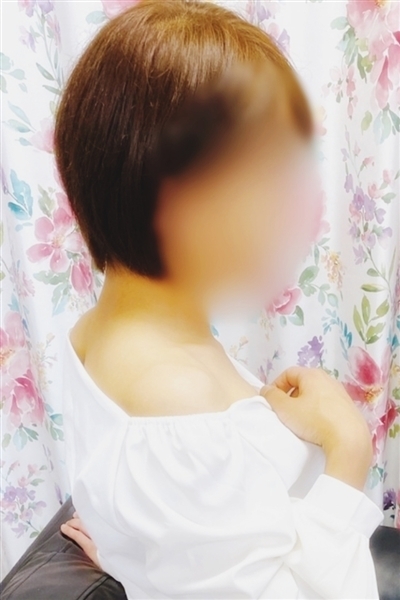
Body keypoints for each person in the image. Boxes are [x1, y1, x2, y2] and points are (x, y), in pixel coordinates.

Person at [55, 1, 383, 598]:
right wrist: (347, 452)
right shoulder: (175, 399)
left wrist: (148, 560)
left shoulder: (103, 329)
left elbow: (163, 512)